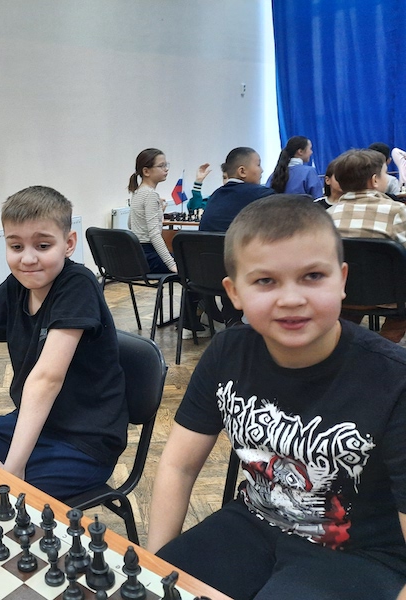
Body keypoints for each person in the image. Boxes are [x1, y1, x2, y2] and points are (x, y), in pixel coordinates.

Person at [147, 195, 406, 600]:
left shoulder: (393, 379)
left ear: (342, 280)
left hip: (360, 555)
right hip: (252, 523)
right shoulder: (227, 352)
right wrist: (154, 569)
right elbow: (178, 466)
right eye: (266, 281)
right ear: (234, 292)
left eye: (313, 276)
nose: (291, 299)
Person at [0, 186, 128, 500]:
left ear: (69, 244)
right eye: (16, 246)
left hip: (85, 442)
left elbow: (46, 379)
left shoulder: (78, 284)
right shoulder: (15, 286)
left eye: (43, 245)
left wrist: (14, 468)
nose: (27, 258)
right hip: (31, 422)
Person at [327, 148, 406, 343]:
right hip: (391, 298)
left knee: (349, 313)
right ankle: (384, 346)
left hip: (341, 295)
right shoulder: (397, 211)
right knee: (400, 317)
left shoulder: (326, 216)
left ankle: (349, 344)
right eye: (385, 173)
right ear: (375, 180)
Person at [127, 148, 204, 336]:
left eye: (166, 165)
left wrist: (158, 212)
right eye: (162, 166)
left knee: (189, 263)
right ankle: (190, 321)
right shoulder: (150, 195)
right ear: (146, 171)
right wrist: (171, 264)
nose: (166, 169)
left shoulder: (138, 193)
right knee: (195, 268)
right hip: (150, 255)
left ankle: (190, 317)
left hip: (139, 256)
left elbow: (131, 224)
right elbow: (154, 235)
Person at [198, 147, 275, 232]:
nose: (262, 170)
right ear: (242, 171)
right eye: (258, 165)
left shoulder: (215, 195)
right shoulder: (263, 195)